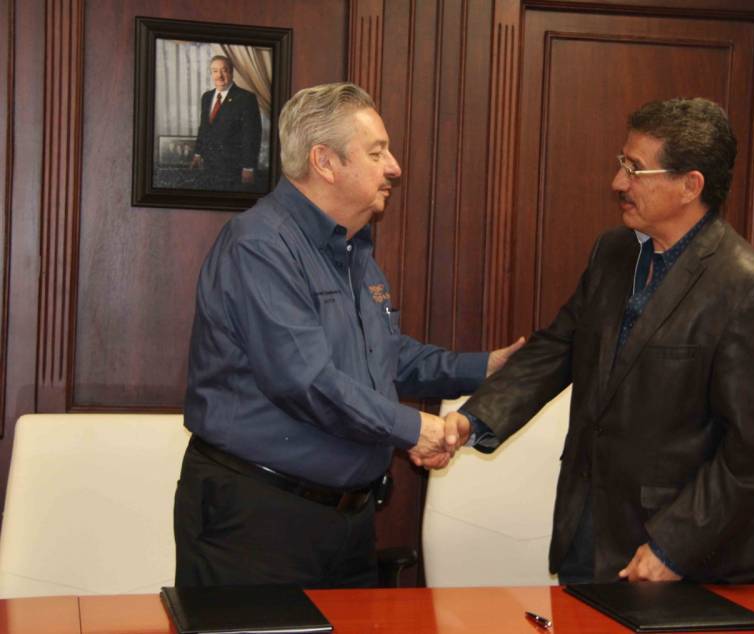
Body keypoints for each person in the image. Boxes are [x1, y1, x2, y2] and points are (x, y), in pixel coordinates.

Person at [174, 82, 524, 589]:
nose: (395, 168)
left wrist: (482, 366)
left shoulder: (352, 249)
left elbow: (381, 354)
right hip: (259, 525)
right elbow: (305, 381)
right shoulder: (259, 246)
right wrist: (413, 428)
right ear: (325, 161)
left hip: (348, 523)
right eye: (377, 152)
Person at [447, 97, 754, 584]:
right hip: (585, 530)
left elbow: (750, 456)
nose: (618, 183)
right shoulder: (612, 253)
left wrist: (673, 547)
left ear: (690, 185)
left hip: (677, 555)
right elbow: (558, 347)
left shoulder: (747, 288)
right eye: (621, 164)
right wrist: (470, 421)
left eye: (636, 170)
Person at [190, 55, 262, 191]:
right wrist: (198, 153)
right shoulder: (206, 97)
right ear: (211, 73)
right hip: (208, 165)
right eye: (215, 71)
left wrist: (248, 167)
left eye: (224, 70)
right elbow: (204, 128)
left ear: (231, 72)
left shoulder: (246, 98)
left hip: (233, 168)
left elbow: (252, 136)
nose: (220, 76)